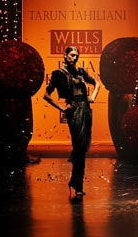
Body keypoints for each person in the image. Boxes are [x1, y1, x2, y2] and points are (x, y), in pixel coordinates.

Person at [42, 46, 100, 199]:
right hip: (73, 111)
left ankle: (76, 182)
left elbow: (97, 83)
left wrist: (92, 97)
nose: (74, 58)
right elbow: (46, 95)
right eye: (72, 55)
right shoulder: (58, 74)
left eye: (76, 56)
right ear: (65, 55)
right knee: (79, 147)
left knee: (81, 148)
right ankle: (77, 184)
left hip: (86, 109)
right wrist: (62, 107)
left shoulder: (80, 71)